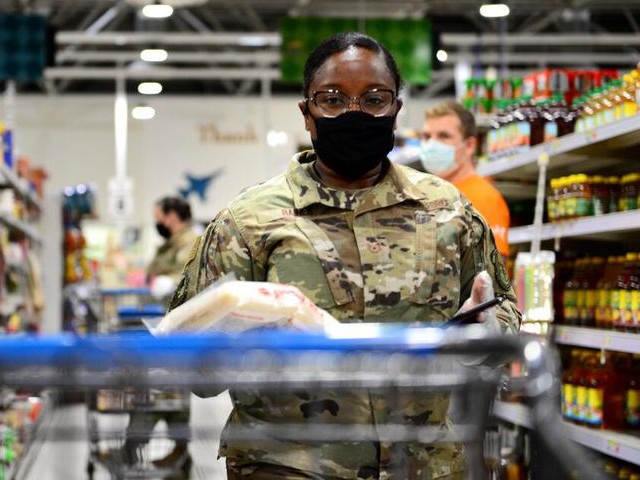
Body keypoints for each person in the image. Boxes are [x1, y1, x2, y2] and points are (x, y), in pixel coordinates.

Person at [169, 32, 521, 480]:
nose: (354, 113)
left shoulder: (448, 211)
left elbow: (502, 306)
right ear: (307, 115)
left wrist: (490, 331)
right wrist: (228, 344)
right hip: (289, 468)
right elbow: (191, 364)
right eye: (332, 100)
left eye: (374, 99)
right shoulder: (246, 222)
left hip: (423, 466)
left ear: (395, 110)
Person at [129, 196, 196, 471]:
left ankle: (134, 449)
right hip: (160, 329)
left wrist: (167, 282)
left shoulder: (189, 242)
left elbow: (187, 275)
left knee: (164, 391)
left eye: (158, 216)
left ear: (171, 216)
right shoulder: (170, 244)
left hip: (175, 332)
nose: (157, 222)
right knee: (162, 390)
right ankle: (176, 453)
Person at [419, 102, 511, 257]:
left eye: (444, 136)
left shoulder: (483, 198)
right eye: (427, 136)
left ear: (469, 146)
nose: (432, 144)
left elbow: (493, 271)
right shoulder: (430, 193)